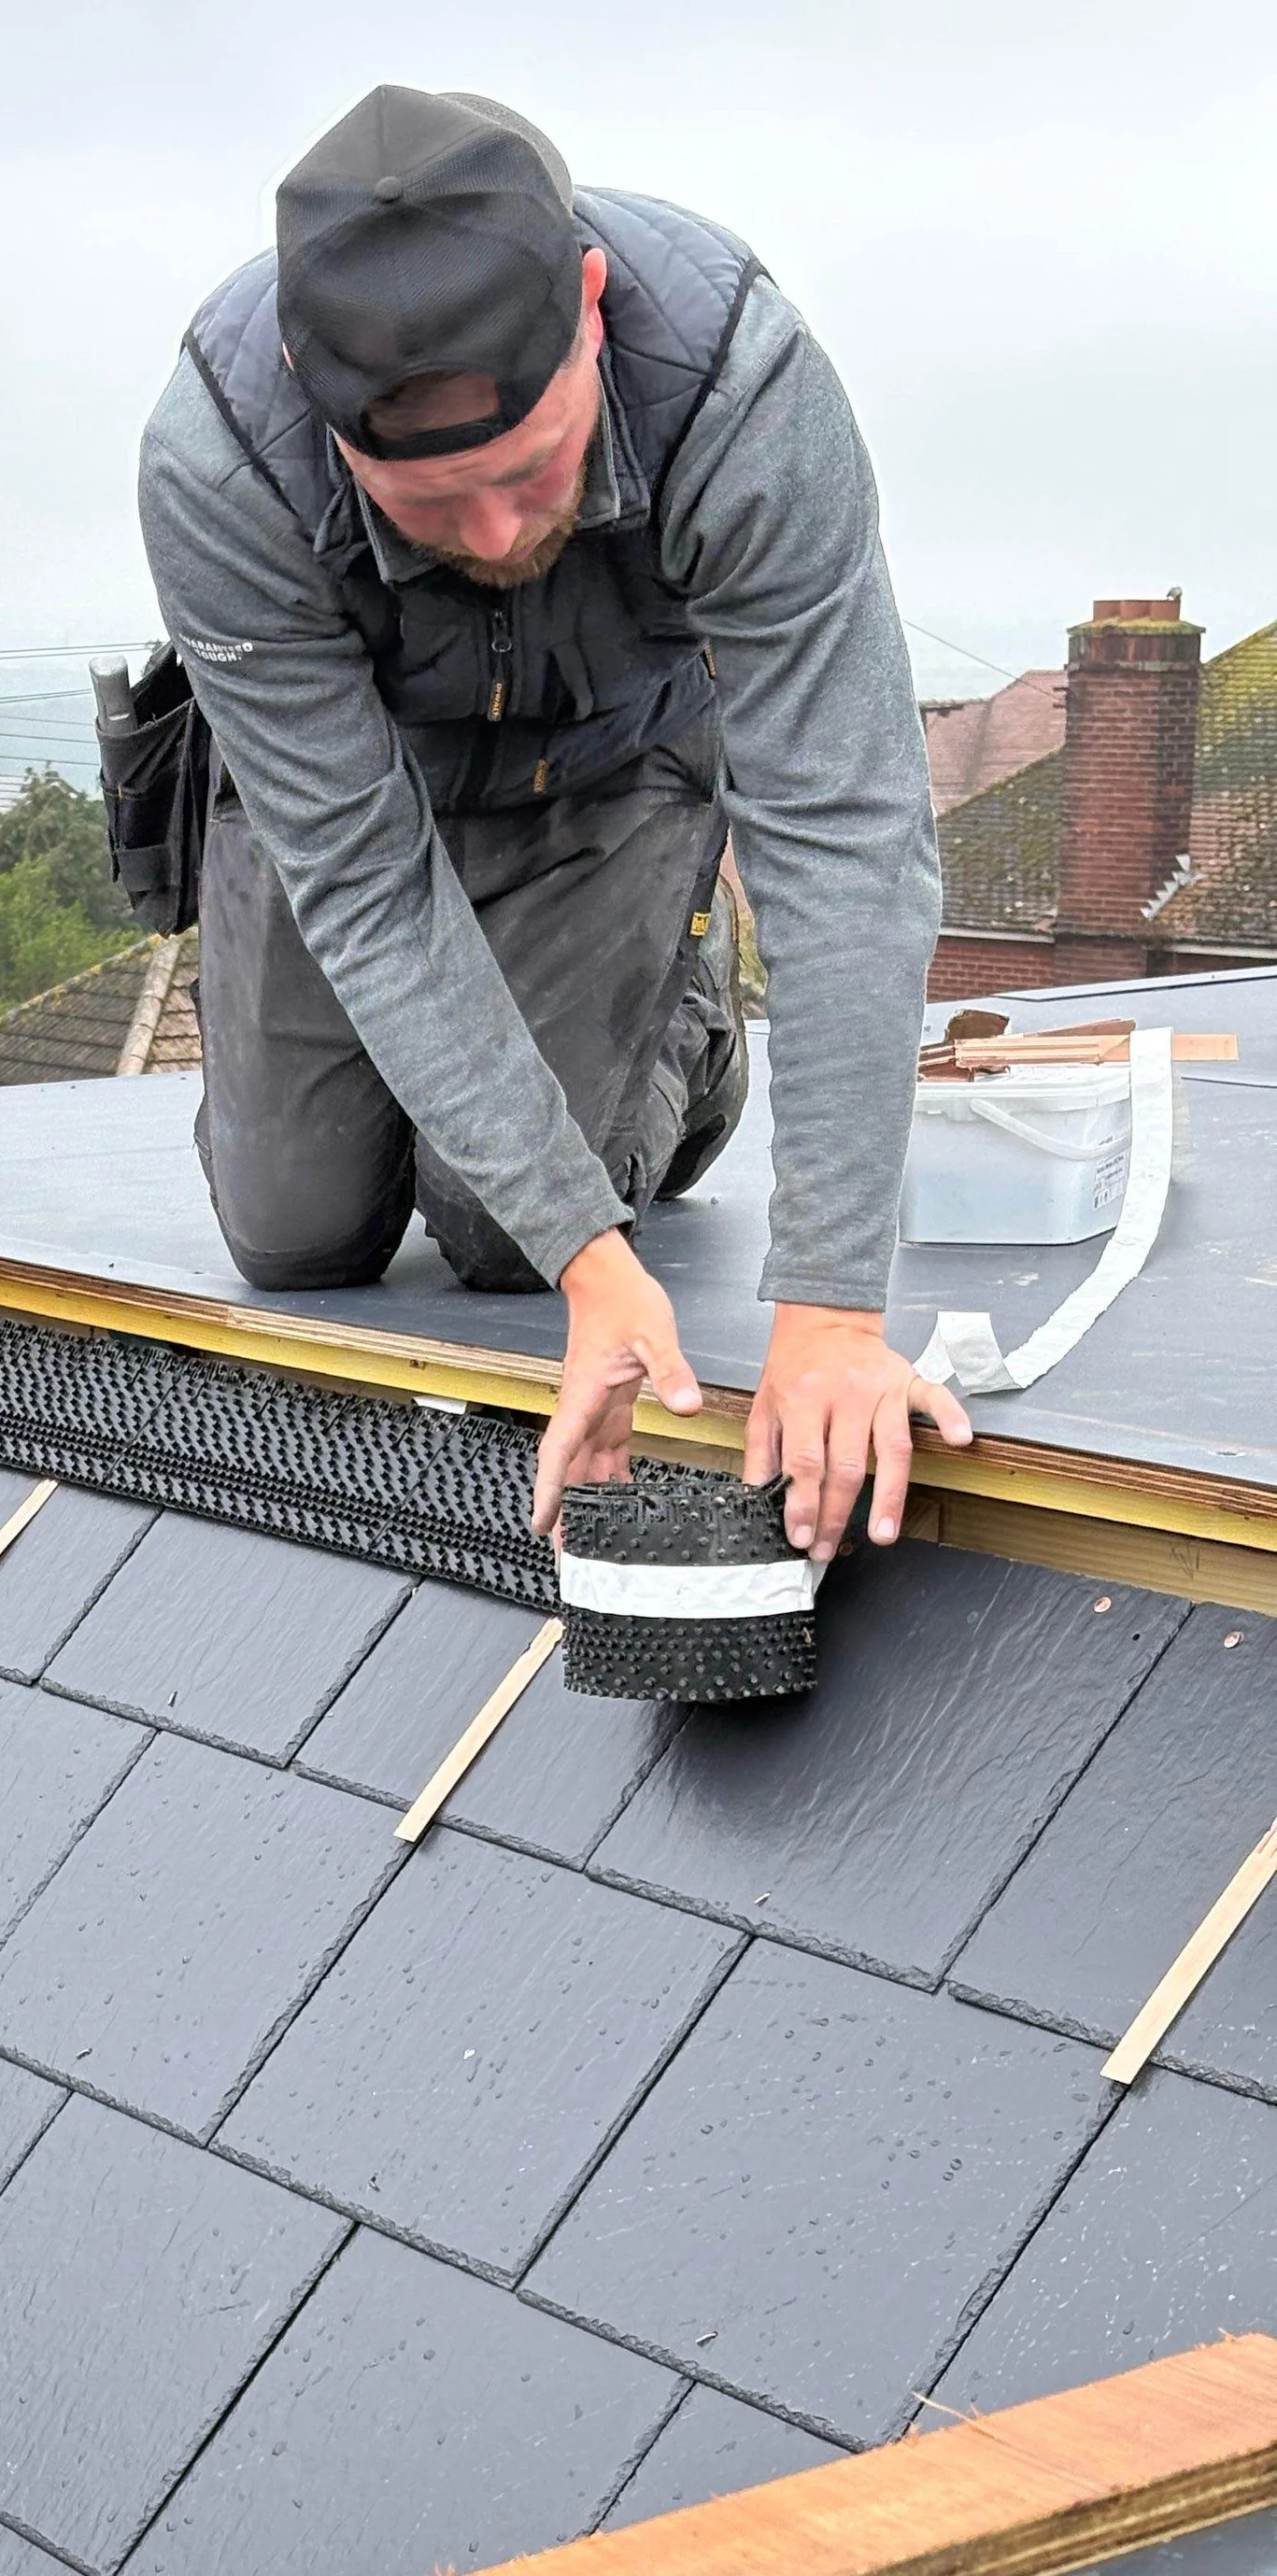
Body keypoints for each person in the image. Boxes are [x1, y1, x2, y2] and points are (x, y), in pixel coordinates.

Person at [137, 82, 972, 1563]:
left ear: (591, 306)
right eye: (429, 508)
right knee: (294, 1234)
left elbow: (846, 836)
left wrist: (833, 1305)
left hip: (610, 770)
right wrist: (600, 1265)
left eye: (529, 475)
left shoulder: (741, 389)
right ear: (318, 412)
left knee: (492, 1237)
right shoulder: (223, 464)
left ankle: (687, 1026)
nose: (499, 538)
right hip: (356, 801)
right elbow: (364, 881)